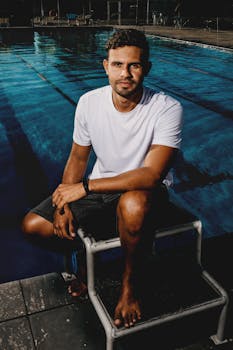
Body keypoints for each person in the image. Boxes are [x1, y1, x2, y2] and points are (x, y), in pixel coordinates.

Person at [22, 29, 183, 328]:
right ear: (105, 66)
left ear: (146, 68)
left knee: (133, 204)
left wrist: (83, 188)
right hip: (101, 189)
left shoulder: (167, 108)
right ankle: (87, 267)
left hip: (146, 191)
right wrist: (63, 205)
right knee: (33, 226)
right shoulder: (88, 103)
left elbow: (150, 175)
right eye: (118, 64)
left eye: (134, 65)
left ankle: (129, 286)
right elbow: (78, 158)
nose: (126, 73)